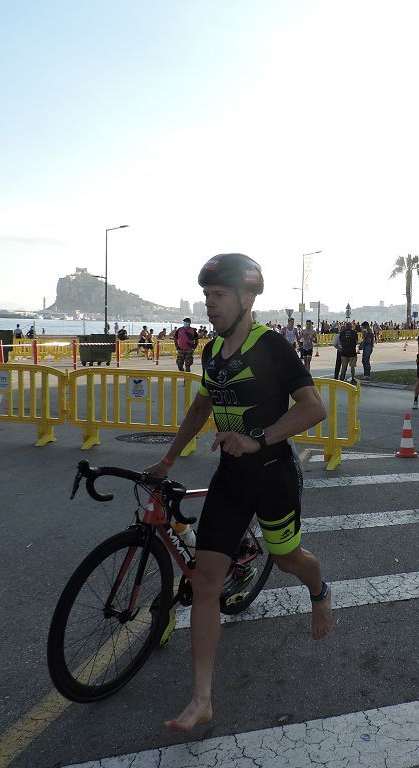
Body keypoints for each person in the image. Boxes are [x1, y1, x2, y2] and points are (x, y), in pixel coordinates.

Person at [144, 253, 332, 733]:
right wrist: (167, 458)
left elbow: (314, 409)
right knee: (206, 583)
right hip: (231, 477)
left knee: (288, 559)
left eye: (219, 295)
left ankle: (320, 589)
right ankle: (202, 698)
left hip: (272, 474)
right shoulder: (210, 353)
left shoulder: (270, 346)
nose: (210, 305)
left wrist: (259, 438)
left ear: (247, 299)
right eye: (206, 296)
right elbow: (199, 408)